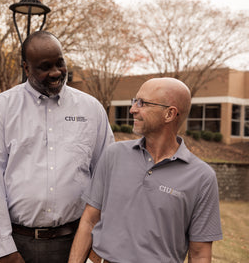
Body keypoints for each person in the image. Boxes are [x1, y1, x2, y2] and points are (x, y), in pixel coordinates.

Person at [0, 31, 114, 263]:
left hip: (74, 244)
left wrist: (95, 248)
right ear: (26, 68)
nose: (56, 72)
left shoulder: (91, 109)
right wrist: (4, 250)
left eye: (60, 63)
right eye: (44, 66)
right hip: (16, 242)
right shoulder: (2, 108)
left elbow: (107, 179)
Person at [68, 77, 223, 263]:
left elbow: (199, 254)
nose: (133, 109)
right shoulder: (113, 155)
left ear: (169, 114)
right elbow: (88, 222)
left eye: (142, 103)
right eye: (134, 102)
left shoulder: (201, 178)